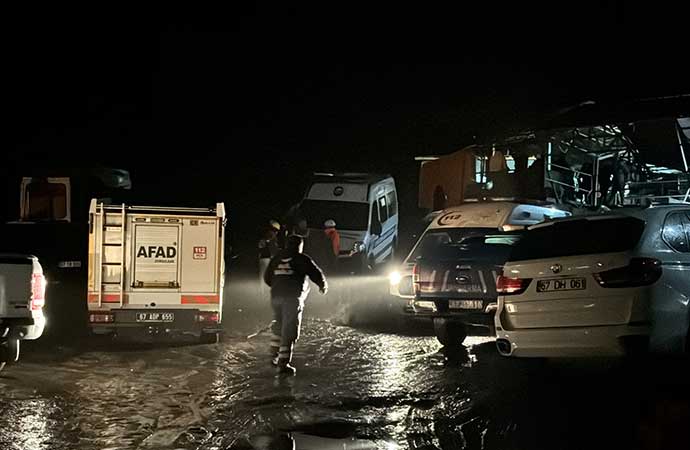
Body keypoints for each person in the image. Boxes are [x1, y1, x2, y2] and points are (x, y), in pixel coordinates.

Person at [264, 235, 327, 375]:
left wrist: (277, 286)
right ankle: (283, 364)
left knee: (278, 326)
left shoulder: (277, 258)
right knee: (289, 330)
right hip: (292, 298)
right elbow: (315, 273)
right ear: (299, 245)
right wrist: (323, 285)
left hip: (276, 297)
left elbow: (267, 278)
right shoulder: (302, 259)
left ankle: (273, 356)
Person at [258, 220, 281, 298]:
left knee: (266, 276)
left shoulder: (269, 238)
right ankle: (264, 294)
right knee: (266, 276)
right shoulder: (270, 238)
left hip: (267, 259)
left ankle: (264, 293)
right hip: (267, 259)